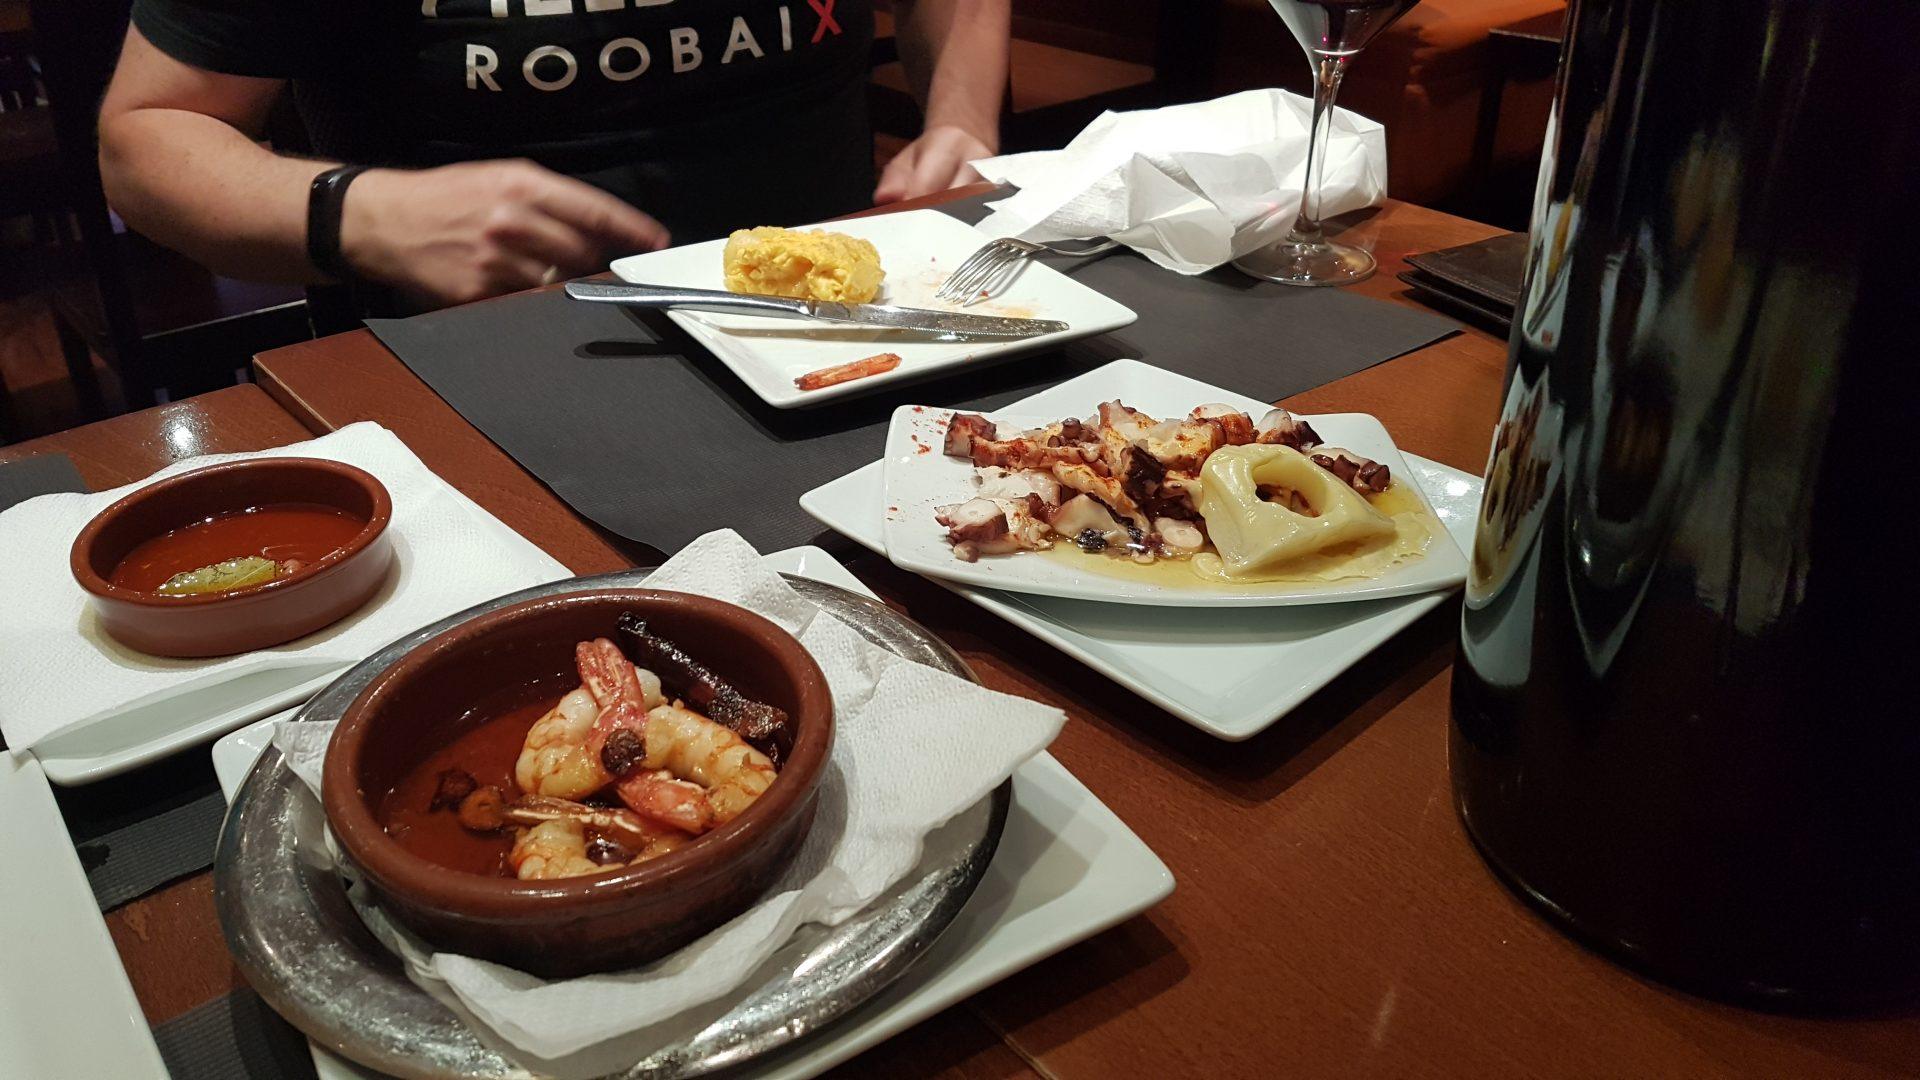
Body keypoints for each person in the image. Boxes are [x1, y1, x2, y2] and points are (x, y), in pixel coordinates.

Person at [97, 0, 1008, 310]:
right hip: (488, 352)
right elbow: (145, 139)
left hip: (851, 318)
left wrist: (960, 120)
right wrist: (358, 214)